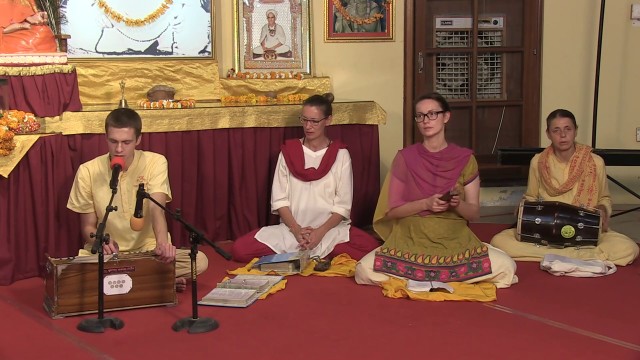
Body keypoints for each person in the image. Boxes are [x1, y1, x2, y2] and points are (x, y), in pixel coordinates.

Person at [355, 92, 518, 289]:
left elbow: (473, 213)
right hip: (411, 236)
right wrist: (425, 203)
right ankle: (440, 279)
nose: (426, 120)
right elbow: (392, 211)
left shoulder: (465, 159)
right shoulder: (405, 158)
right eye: (420, 116)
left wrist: (457, 204)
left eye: (432, 114)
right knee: (363, 270)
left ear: (446, 116)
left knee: (507, 267)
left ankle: (420, 280)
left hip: (452, 238)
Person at [67, 108, 208, 291]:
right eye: (113, 141)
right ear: (105, 138)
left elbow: (157, 209)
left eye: (126, 142)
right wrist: (99, 242)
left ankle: (122, 282)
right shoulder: (87, 171)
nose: (119, 149)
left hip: (147, 252)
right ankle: (154, 281)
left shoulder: (155, 162)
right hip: (108, 255)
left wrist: (162, 245)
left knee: (200, 261)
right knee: (71, 275)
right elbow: (87, 226)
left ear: (138, 140)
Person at [232, 93, 380, 263]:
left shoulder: (341, 154)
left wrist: (319, 233)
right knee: (240, 250)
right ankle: (316, 253)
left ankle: (308, 252)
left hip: (329, 231)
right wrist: (297, 230)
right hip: (292, 230)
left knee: (370, 248)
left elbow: (342, 205)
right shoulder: (288, 151)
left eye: (314, 121)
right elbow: (280, 200)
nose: (308, 126)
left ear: (328, 120)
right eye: (304, 120)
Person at [490, 109, 639, 266]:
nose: (563, 135)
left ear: (575, 131)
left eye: (568, 129)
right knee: (499, 241)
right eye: (556, 130)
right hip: (546, 232)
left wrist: (602, 207)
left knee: (629, 248)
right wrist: (523, 206)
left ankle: (553, 256)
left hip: (584, 230)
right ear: (548, 134)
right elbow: (531, 197)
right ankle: (582, 257)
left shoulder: (595, 162)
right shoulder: (538, 161)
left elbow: (604, 198)